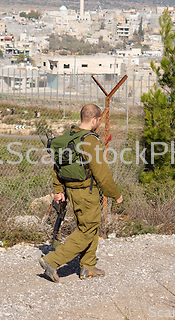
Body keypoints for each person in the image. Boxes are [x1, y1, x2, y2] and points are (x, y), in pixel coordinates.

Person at [39, 104, 123, 282]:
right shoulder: (90, 140)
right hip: (87, 192)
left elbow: (57, 166)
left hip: (71, 191)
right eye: (99, 120)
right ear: (95, 120)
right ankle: (52, 260)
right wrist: (115, 193)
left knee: (90, 227)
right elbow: (102, 172)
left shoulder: (68, 136)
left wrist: (58, 189)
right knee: (87, 230)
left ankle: (88, 267)